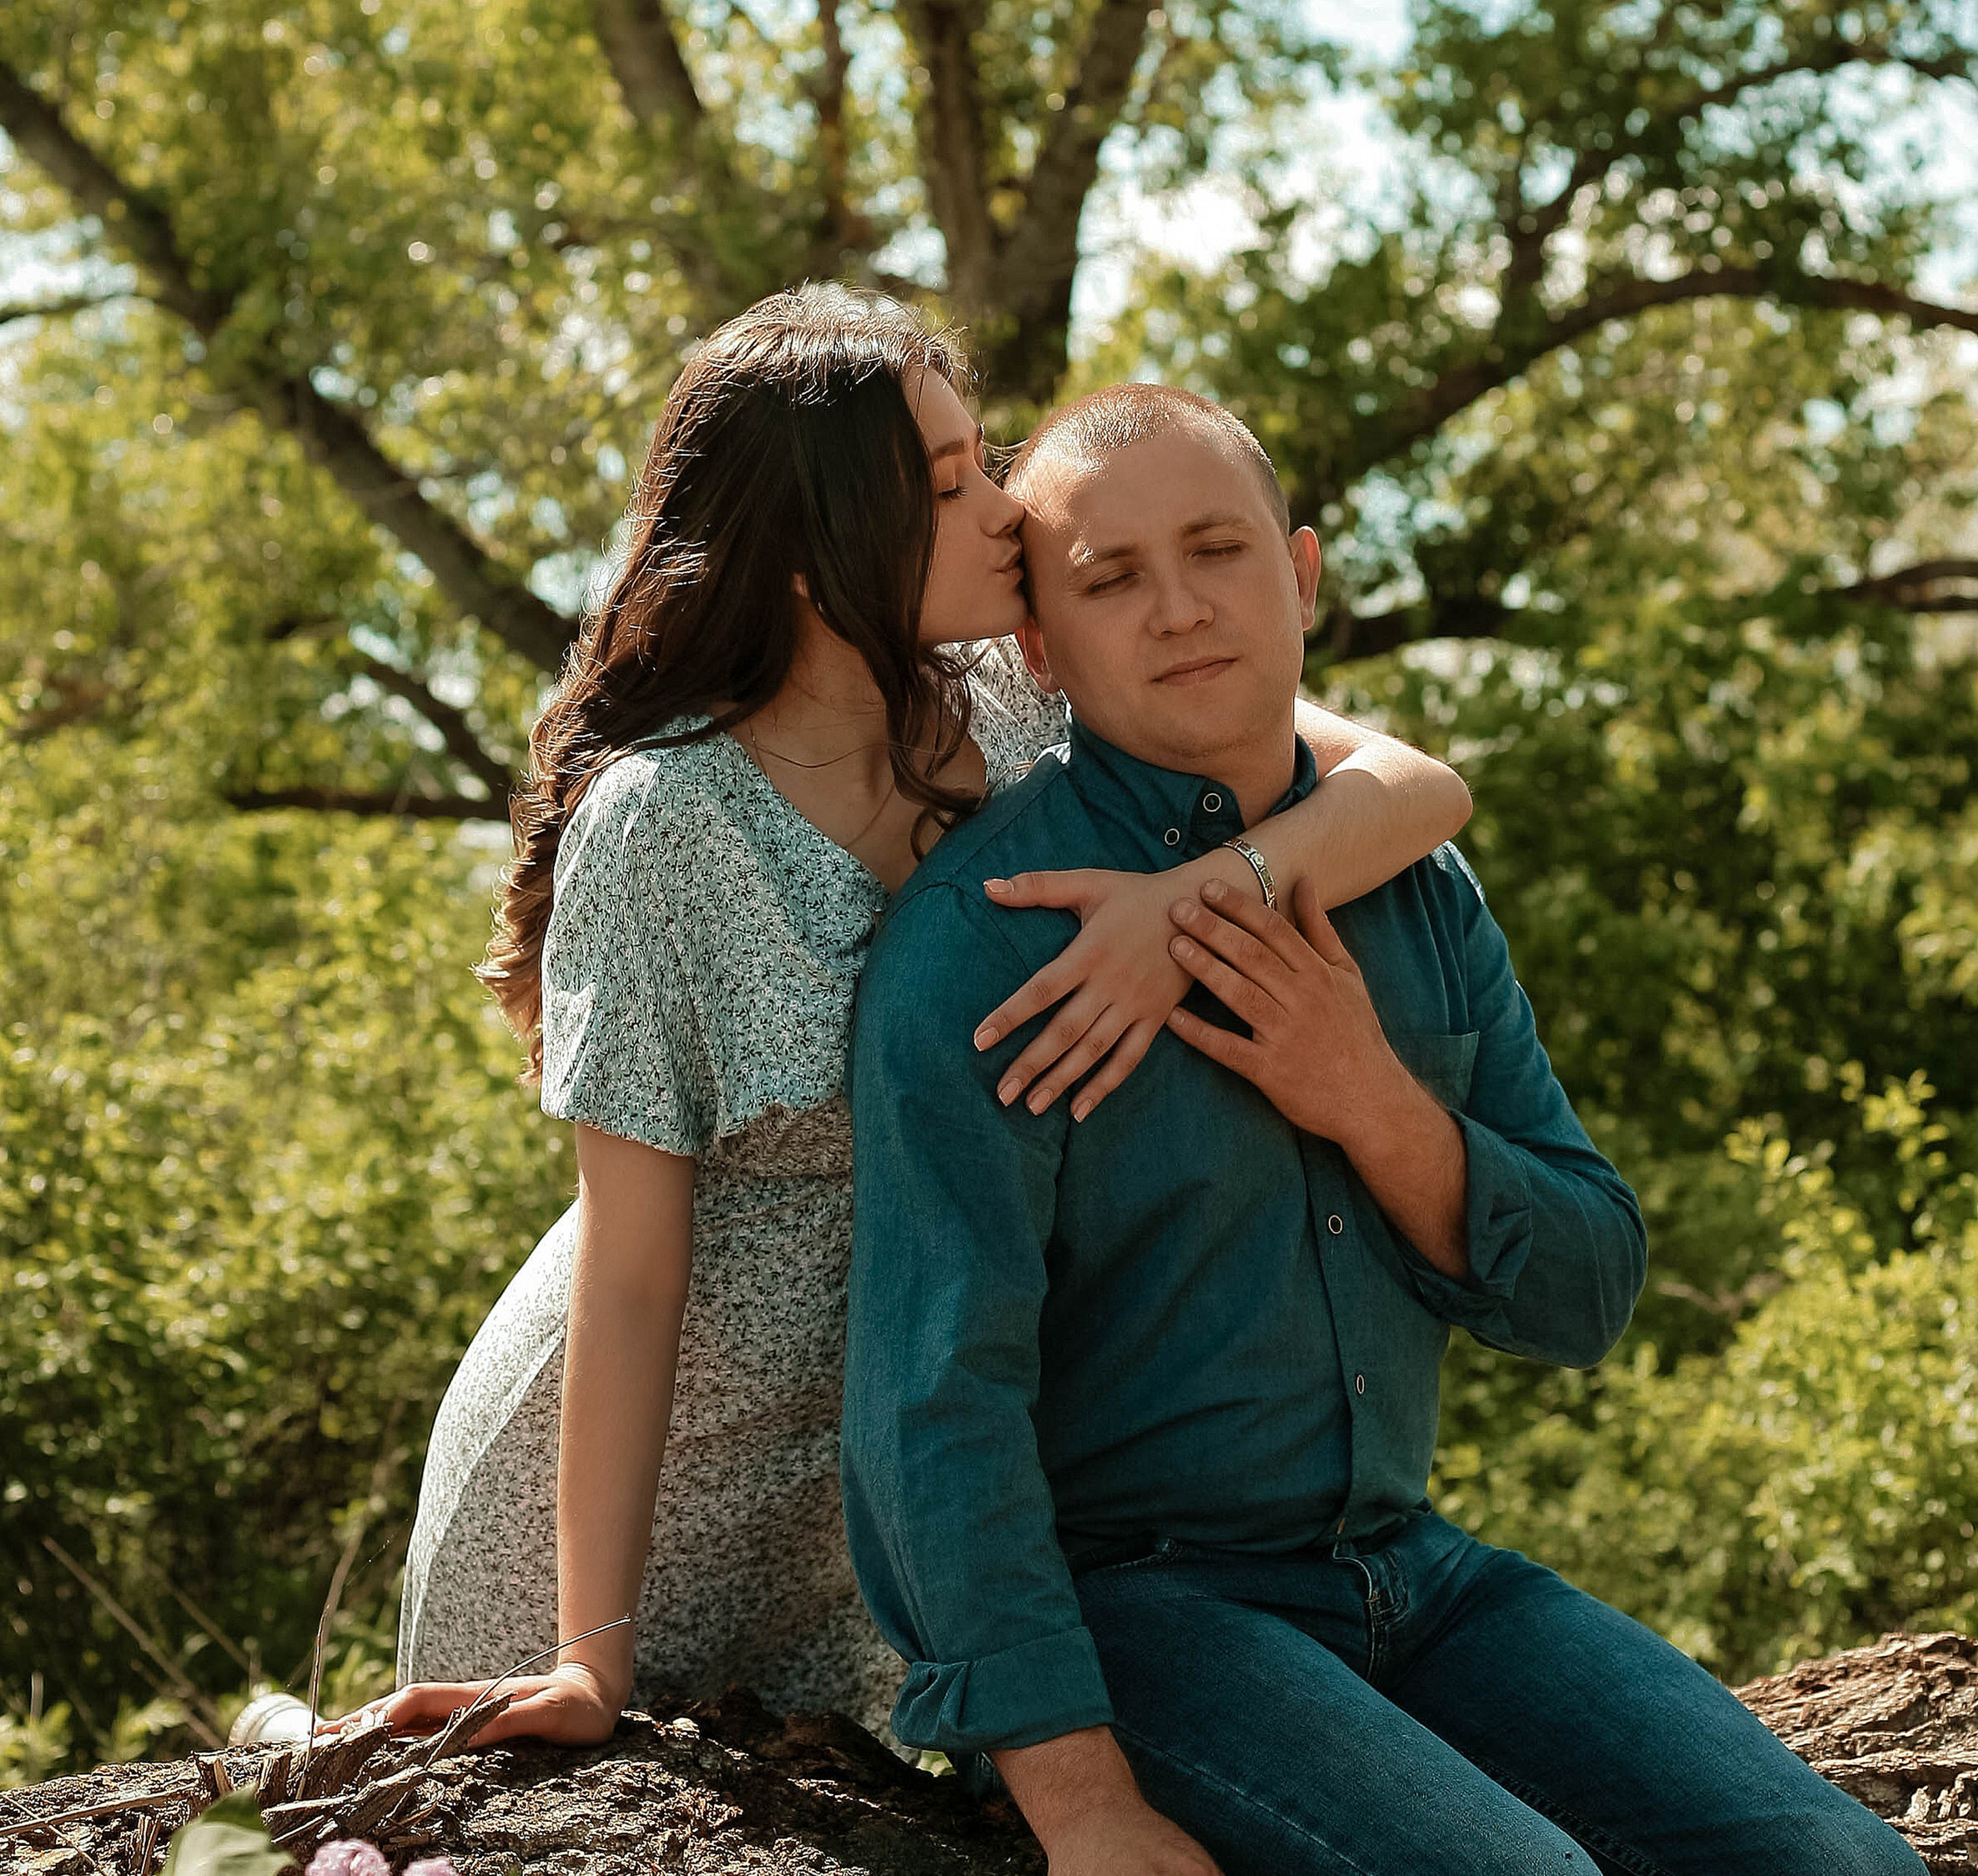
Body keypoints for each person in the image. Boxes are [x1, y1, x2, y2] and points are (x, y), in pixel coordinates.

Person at [841, 382, 1978, 1876]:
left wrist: (1368, 1098)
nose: (1178, 607)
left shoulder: (1408, 887)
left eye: (1216, 553)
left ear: (1300, 578)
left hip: (1406, 1579)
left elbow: (1585, 1277)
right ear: (1036, 644)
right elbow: (930, 1403)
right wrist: (1079, 1794)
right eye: (1110, 579)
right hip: (1154, 1614)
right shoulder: (985, 943)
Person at [376, 290, 1470, 1754]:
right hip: (626, 1519)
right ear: (825, 558)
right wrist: (589, 1658)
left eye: (985, 457)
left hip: (896, 1487)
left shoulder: (1021, 698)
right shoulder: (665, 819)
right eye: (951, 483)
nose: (1009, 504)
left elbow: (1414, 789)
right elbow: (629, 1276)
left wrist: (1201, 897)